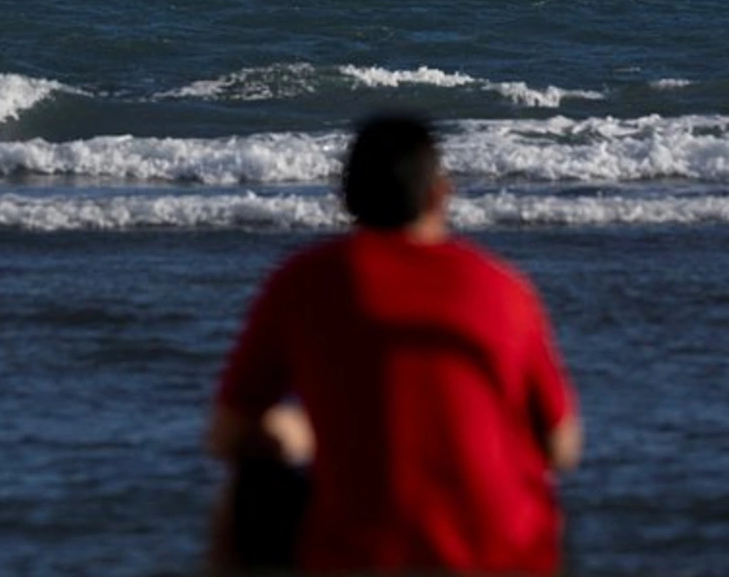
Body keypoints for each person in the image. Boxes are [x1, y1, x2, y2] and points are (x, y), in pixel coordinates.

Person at [207, 113, 582, 575]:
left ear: (344, 198)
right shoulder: (503, 287)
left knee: (251, 484)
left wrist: (303, 428)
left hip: (364, 554)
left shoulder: (305, 282)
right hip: (506, 555)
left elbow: (225, 435)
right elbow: (562, 447)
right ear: (440, 194)